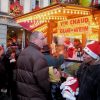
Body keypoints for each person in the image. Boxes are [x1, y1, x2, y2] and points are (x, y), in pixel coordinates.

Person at [13, 31, 50, 100]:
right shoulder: (39, 56)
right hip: (35, 95)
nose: (44, 41)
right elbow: (44, 83)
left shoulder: (23, 52)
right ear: (35, 40)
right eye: (42, 38)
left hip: (22, 94)